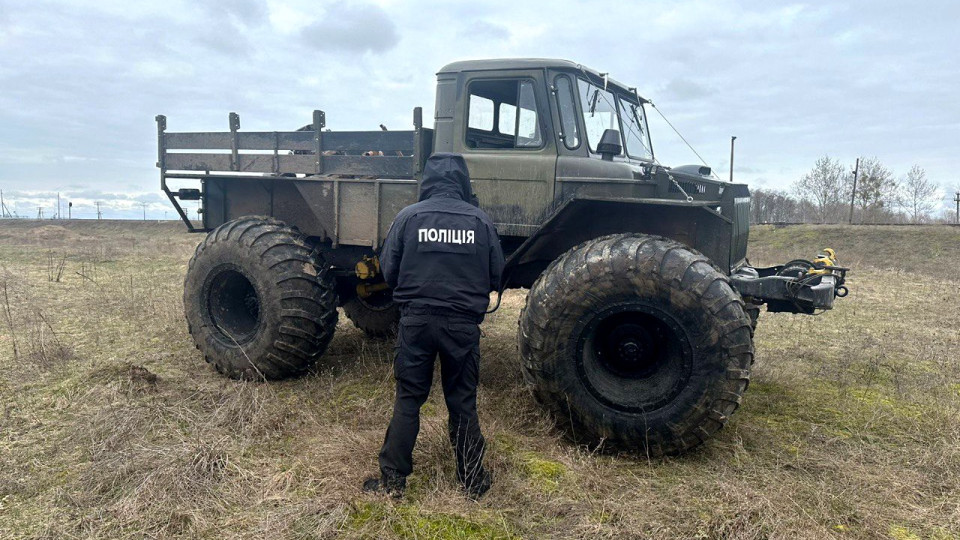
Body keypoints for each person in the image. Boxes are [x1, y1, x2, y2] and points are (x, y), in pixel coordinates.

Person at [362, 152, 504, 499]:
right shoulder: (480, 221)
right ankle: (473, 483)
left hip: (417, 321)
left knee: (409, 399)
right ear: (462, 181)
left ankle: (393, 482)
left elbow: (388, 269)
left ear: (427, 181)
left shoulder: (409, 217)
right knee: (462, 402)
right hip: (462, 326)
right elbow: (497, 273)